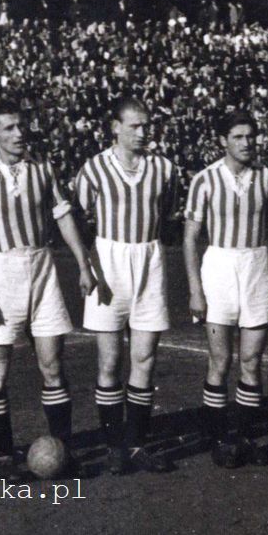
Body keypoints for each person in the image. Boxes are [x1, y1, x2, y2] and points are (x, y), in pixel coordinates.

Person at [0, 101, 96, 480]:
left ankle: (61, 449)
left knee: (53, 364)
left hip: (42, 269)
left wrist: (84, 265)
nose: (18, 134)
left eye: (21, 126)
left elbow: (63, 216)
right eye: (8, 128)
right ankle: (4, 457)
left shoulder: (42, 168)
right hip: (2, 271)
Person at [75, 97, 180, 474]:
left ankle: (137, 444)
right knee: (110, 360)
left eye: (146, 125)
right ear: (114, 127)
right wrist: (89, 263)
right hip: (109, 262)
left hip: (149, 261)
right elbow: (78, 218)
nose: (142, 132)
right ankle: (112, 446)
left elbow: (167, 214)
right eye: (134, 126)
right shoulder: (94, 169)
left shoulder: (165, 169)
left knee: (144, 359)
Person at [183, 110, 268, 468]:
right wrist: (195, 289)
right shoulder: (205, 180)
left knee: (251, 360)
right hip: (219, 267)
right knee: (220, 359)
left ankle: (245, 436)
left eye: (251, 136)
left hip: (257, 268)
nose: (246, 143)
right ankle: (217, 437)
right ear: (223, 140)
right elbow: (191, 237)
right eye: (238, 136)